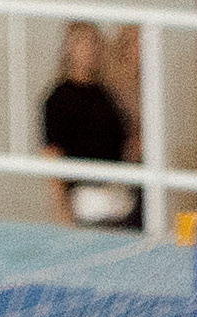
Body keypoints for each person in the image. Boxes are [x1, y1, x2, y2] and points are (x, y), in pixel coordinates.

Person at [42, 20, 137, 229]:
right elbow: (52, 156)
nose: (90, 50)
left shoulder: (107, 94)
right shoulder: (58, 99)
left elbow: (127, 145)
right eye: (83, 43)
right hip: (87, 203)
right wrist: (64, 212)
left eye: (95, 43)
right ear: (70, 49)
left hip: (120, 197)